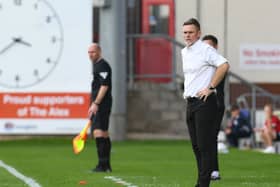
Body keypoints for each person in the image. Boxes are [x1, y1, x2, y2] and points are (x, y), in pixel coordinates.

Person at [181, 18, 229, 187]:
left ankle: (203, 184)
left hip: (205, 102)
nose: (187, 35)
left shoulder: (205, 49)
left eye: (191, 32)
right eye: (185, 32)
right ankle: (202, 181)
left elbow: (223, 65)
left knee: (204, 145)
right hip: (191, 103)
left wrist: (210, 87)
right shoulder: (184, 52)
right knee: (196, 146)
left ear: (198, 33)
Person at [202, 35, 225, 181]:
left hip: (215, 103)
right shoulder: (202, 62)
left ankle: (213, 170)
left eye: (209, 46)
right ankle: (207, 169)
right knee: (202, 139)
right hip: (202, 103)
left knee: (210, 137)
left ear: (215, 47)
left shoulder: (219, 64)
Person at [87, 43, 112, 172]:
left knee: (98, 132)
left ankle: (102, 165)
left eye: (93, 52)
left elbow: (104, 86)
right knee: (104, 132)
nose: (91, 54)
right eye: (89, 52)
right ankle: (106, 165)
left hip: (102, 104)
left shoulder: (102, 65)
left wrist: (96, 103)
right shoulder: (97, 66)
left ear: (99, 52)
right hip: (99, 103)